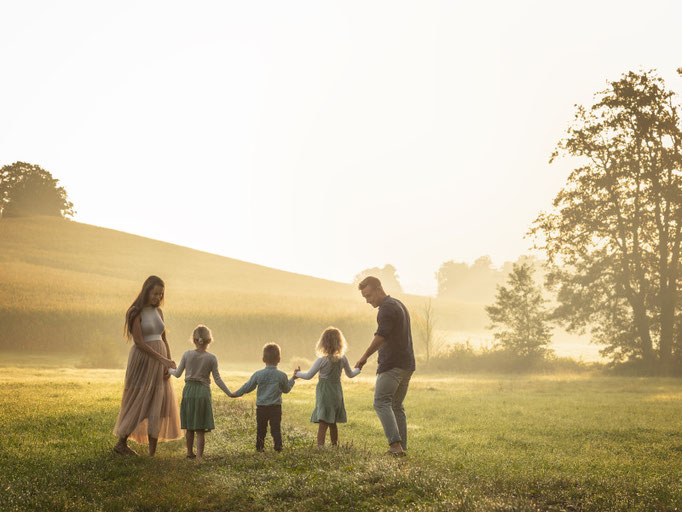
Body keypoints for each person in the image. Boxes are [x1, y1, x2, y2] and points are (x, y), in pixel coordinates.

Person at [113, 275, 181, 456]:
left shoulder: (159, 312)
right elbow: (140, 343)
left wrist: (169, 362)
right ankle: (121, 443)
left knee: (157, 402)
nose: (158, 298)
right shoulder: (135, 311)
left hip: (160, 361)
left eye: (161, 294)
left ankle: (152, 453)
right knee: (140, 399)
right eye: (155, 293)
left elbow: (163, 338)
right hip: (143, 360)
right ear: (146, 291)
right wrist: (162, 359)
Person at [355, 276, 415, 457]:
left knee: (381, 402)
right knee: (396, 405)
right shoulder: (398, 304)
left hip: (392, 365)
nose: (368, 300)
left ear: (378, 289)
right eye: (365, 297)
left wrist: (364, 357)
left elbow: (381, 336)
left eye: (369, 295)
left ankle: (395, 446)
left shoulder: (386, 309)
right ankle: (401, 448)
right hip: (407, 364)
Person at [168, 325, 231, 460]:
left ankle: (189, 453)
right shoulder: (212, 358)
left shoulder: (187, 354)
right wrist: (229, 392)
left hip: (189, 391)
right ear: (209, 340)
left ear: (194, 339)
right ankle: (199, 457)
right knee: (200, 428)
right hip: (203, 392)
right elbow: (217, 379)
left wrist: (169, 370)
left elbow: (178, 374)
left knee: (190, 426)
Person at [295, 327, 361, 447]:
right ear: (340, 343)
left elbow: (309, 375)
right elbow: (351, 374)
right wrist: (358, 369)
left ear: (323, 343)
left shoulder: (322, 360)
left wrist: (297, 374)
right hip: (336, 392)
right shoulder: (343, 358)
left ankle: (320, 447)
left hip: (325, 392)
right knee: (332, 421)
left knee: (323, 422)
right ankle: (334, 445)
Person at [230, 343, 297, 452]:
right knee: (276, 429)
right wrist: (293, 378)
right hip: (275, 408)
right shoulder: (282, 375)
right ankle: (278, 447)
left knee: (261, 429)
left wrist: (236, 393)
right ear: (279, 359)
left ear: (263, 359)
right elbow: (286, 390)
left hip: (261, 408)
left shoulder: (258, 374)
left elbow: (248, 386)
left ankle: (260, 447)